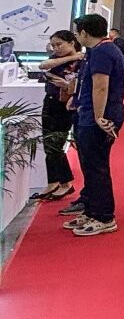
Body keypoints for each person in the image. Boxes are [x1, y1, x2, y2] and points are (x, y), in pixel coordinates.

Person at [62, 14, 124, 237]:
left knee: (96, 166)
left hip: (98, 118)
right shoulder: (96, 51)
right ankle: (91, 210)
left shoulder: (103, 52)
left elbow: (101, 86)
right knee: (90, 166)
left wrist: (99, 117)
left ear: (84, 33)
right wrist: (77, 100)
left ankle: (103, 216)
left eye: (77, 32)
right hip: (88, 113)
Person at [30, 31, 81, 201]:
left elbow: (79, 86)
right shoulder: (58, 59)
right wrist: (69, 57)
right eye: (53, 45)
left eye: (60, 44)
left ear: (72, 42)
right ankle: (53, 182)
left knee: (56, 144)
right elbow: (43, 65)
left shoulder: (82, 62)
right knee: (48, 144)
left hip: (65, 105)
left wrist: (66, 84)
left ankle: (65, 183)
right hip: (50, 102)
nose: (56, 48)